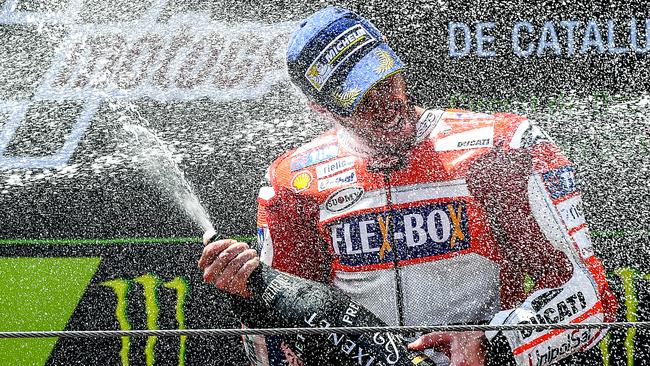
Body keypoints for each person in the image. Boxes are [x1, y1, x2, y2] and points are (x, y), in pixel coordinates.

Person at [199, 7, 618, 366]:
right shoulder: (290, 182)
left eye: (386, 80)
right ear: (320, 107)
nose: (386, 105)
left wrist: (493, 344)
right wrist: (247, 295)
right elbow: (284, 343)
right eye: (360, 97)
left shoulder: (504, 146)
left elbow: (596, 300)